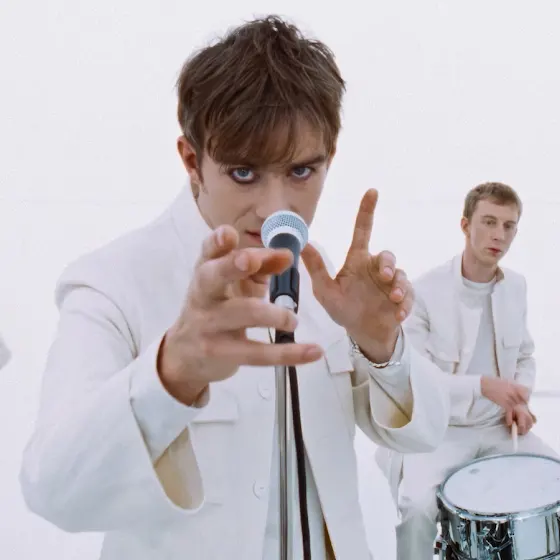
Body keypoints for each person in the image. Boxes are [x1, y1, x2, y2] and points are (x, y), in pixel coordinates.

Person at [19, 16, 449, 560]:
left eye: (301, 172)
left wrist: (382, 345)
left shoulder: (333, 286)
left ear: (329, 159)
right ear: (192, 161)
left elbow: (425, 433)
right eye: (244, 173)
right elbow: (52, 490)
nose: (274, 209)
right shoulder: (111, 282)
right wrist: (170, 373)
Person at [375, 182, 558, 560]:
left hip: (497, 428)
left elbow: (525, 356)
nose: (499, 235)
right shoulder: (424, 291)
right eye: (489, 222)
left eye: (508, 225)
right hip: (439, 433)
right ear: (465, 225)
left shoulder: (517, 286)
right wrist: (482, 386)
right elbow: (418, 377)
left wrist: (519, 399)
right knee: (417, 510)